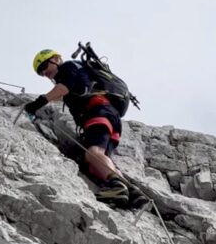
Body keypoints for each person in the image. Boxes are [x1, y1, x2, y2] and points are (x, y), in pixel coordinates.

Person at [23, 49, 148, 209]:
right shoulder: (80, 74)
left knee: (93, 154)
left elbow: (64, 87)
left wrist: (38, 103)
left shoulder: (68, 68)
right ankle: (134, 194)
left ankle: (117, 186)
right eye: (40, 72)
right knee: (95, 163)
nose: (45, 72)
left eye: (45, 66)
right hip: (110, 117)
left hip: (98, 110)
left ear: (56, 59)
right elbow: (69, 92)